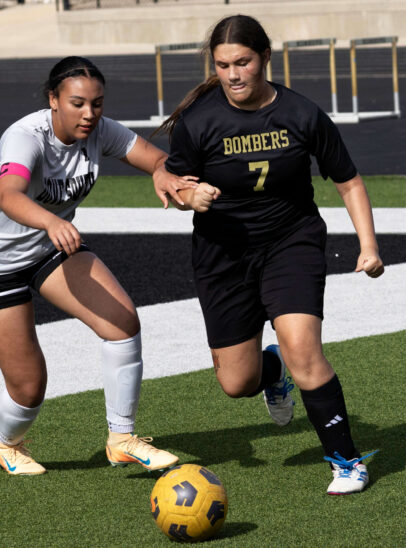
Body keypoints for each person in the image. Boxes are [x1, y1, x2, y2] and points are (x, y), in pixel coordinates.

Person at [157, 15, 384, 495]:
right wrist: (187, 198)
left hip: (290, 243)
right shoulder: (198, 122)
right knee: (237, 383)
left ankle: (346, 460)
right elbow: (173, 183)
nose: (234, 75)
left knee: (306, 351)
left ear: (265, 58)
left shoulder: (302, 114)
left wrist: (368, 246)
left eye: (243, 62)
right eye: (223, 65)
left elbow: (349, 181)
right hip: (223, 256)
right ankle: (272, 370)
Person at [0, 56, 196, 475]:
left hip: (49, 247)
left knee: (122, 322)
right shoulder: (25, 137)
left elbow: (157, 159)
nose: (89, 115)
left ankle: (122, 438)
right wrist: (50, 220)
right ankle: (8, 445)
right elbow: (9, 195)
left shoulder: (101, 129)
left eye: (97, 104)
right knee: (29, 387)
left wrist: (161, 172)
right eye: (77, 103)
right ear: (53, 100)